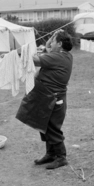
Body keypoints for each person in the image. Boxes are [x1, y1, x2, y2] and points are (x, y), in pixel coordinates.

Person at [16, 29, 73, 169]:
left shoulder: (57, 57)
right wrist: (53, 35)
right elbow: (48, 47)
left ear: (59, 44)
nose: (50, 43)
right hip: (50, 96)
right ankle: (50, 154)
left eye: (54, 41)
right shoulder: (64, 55)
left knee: (52, 128)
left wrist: (21, 51)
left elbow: (34, 60)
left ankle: (61, 157)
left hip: (53, 98)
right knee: (45, 125)